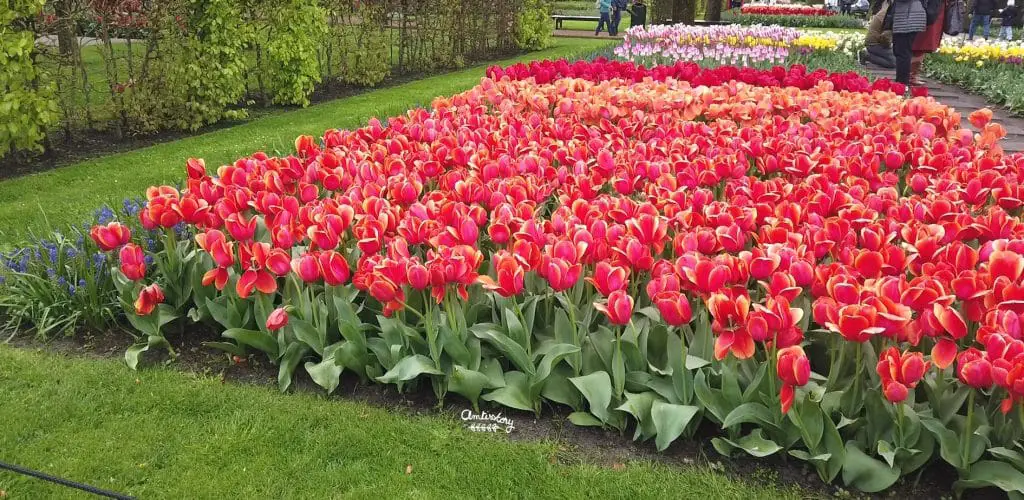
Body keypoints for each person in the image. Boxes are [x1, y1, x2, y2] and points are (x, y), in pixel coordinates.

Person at [890, 0, 928, 85]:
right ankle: (901, 81)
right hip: (908, 17)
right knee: (901, 51)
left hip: (908, 19)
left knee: (903, 52)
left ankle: (902, 83)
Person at [911, 0, 945, 84]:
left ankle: (913, 75)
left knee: (922, 47)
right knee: (920, 46)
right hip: (929, 14)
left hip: (933, 13)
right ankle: (912, 75)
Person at [861, 0, 897, 68]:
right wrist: (890, 47)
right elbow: (885, 36)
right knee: (894, 62)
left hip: (876, 42)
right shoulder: (888, 15)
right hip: (874, 44)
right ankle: (867, 56)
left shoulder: (886, 12)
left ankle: (871, 55)